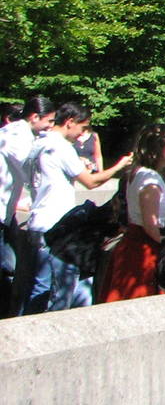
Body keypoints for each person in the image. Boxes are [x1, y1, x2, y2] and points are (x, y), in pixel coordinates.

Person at [22, 104, 131, 313]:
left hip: (37, 220)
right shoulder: (61, 147)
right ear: (70, 122)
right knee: (49, 290)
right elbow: (90, 182)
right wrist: (119, 166)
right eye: (83, 127)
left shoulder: (39, 143)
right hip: (54, 225)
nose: (84, 133)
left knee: (39, 286)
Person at [101, 124, 165, 302]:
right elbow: (150, 226)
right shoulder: (150, 181)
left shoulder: (138, 173)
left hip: (135, 245)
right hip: (144, 251)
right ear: (159, 149)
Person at [1, 95, 55, 316]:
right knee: (7, 269)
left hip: (7, 212)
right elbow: (32, 167)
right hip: (2, 212)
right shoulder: (16, 135)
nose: (51, 126)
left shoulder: (15, 132)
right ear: (35, 117)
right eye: (49, 121)